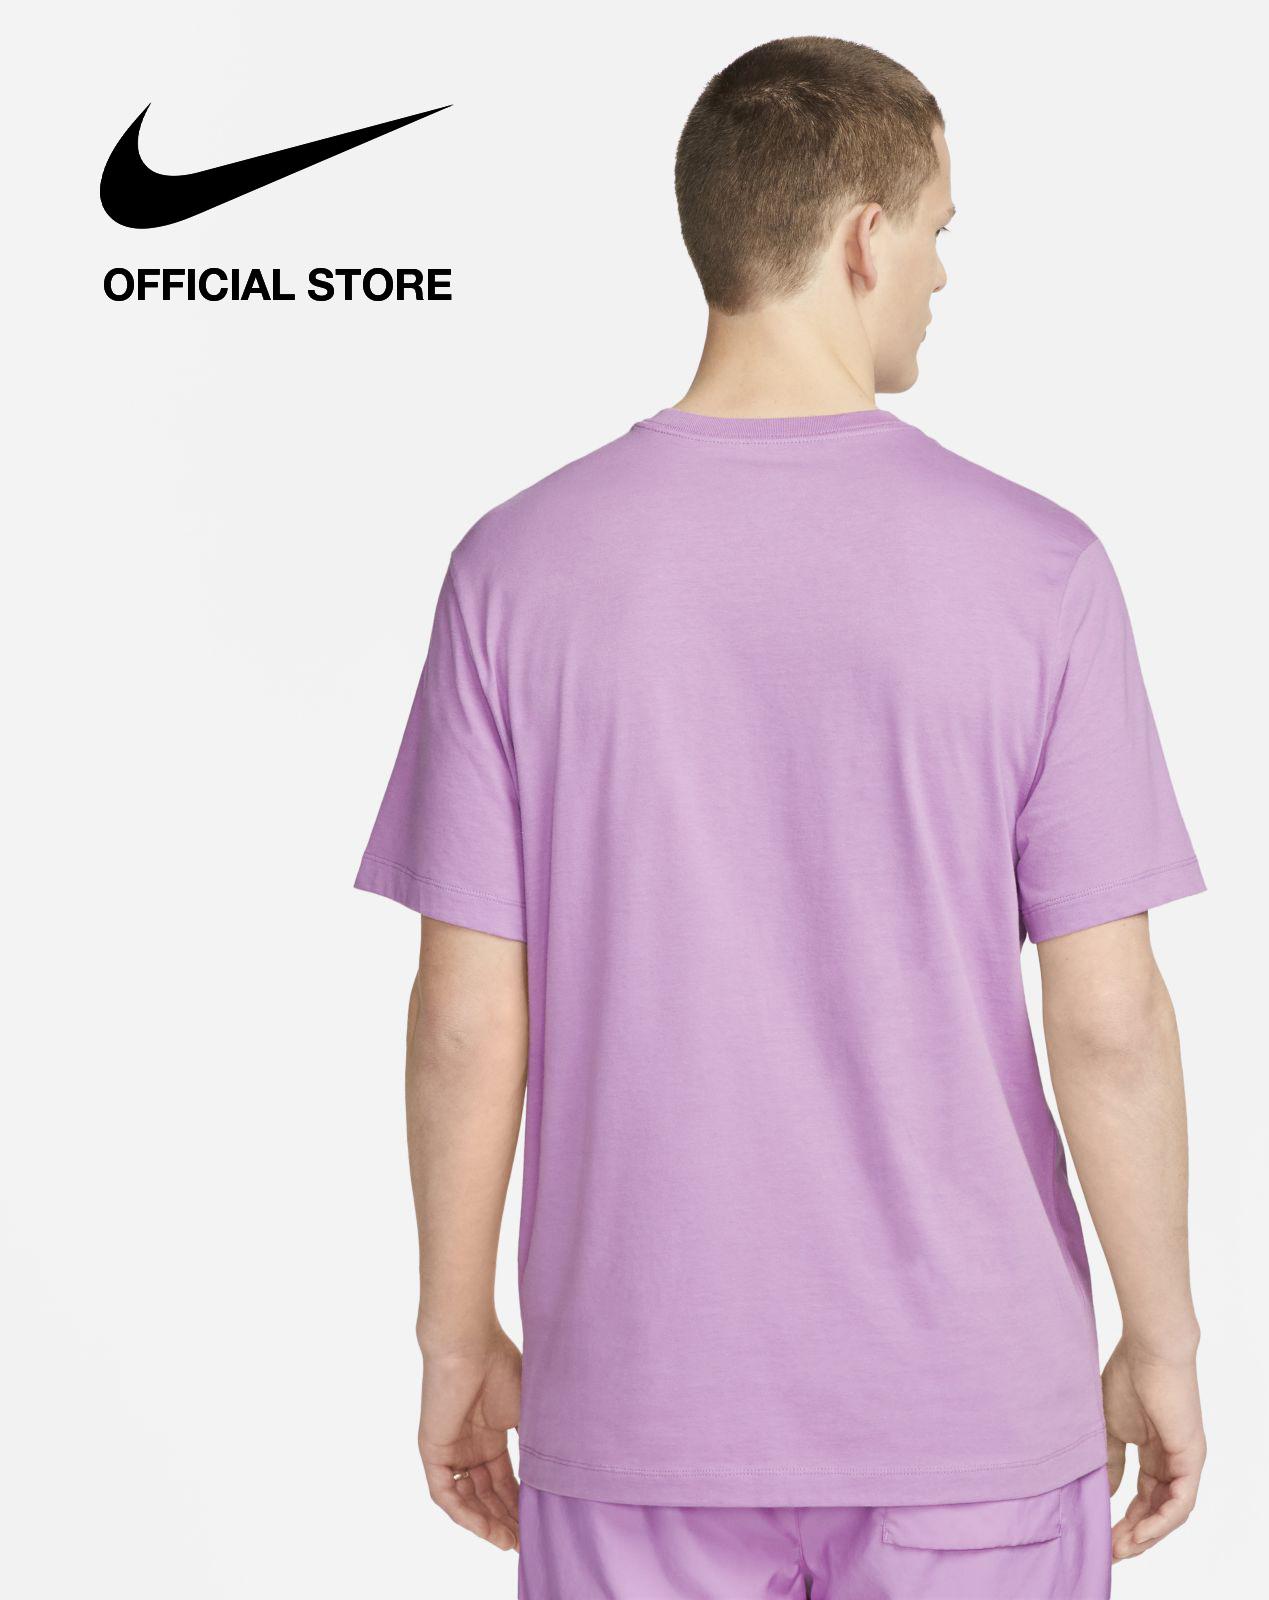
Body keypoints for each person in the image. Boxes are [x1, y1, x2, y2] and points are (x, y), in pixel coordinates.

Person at [355, 34, 1207, 1599]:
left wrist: (455, 1330)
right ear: (863, 238)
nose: (943, 272)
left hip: (638, 1415)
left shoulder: (514, 573)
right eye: (938, 228)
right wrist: (1163, 1336)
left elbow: (468, 1021)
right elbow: (1108, 1024)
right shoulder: (1041, 574)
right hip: (970, 1415)